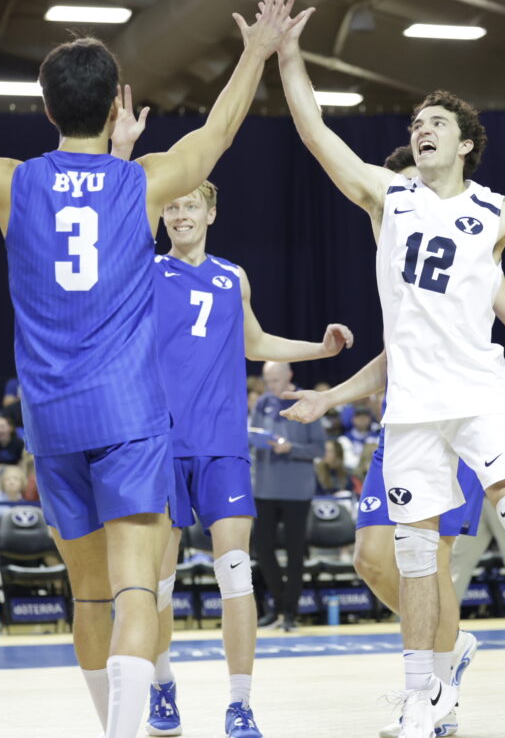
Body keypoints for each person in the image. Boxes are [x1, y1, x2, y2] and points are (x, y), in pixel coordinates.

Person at [0, 0, 304, 738]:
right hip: (128, 414)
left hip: (53, 417)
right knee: (136, 589)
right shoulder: (143, 182)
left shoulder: (10, 181)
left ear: (47, 109)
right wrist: (255, 52)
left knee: (86, 597)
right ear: (113, 107)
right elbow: (217, 132)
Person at [281, 20, 505, 726]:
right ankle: (422, 698)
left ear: (464, 143)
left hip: (476, 392)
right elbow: (314, 132)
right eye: (416, 121)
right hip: (410, 406)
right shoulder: (388, 198)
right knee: (409, 556)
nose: (422, 128)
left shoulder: (499, 213)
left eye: (436, 122)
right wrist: (287, 55)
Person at [105, 167, 354, 737]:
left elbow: (255, 343)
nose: (181, 215)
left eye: (191, 206)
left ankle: (240, 704)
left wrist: (319, 348)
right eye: (172, 208)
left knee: (236, 573)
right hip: (159, 444)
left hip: (222, 446)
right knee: (159, 584)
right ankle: (163, 688)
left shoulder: (232, 278)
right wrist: (122, 156)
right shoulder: (144, 269)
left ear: (211, 214)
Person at [249, 361, 328, 634]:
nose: (272, 387)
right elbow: (253, 435)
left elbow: (319, 449)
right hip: (264, 488)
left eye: (277, 381)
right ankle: (279, 606)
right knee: (262, 548)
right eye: (268, 381)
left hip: (296, 490)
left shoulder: (307, 401)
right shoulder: (262, 404)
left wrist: (291, 448)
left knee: (296, 553)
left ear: (289, 375)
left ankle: (290, 612)